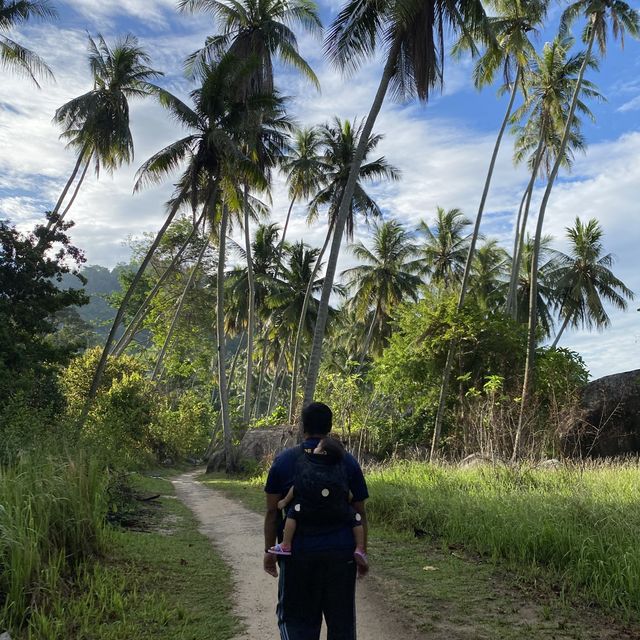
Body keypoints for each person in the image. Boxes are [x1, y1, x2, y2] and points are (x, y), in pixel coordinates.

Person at [263, 402, 369, 640]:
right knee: (341, 626)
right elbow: (359, 512)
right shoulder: (347, 461)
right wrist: (361, 552)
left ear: (303, 427)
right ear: (330, 427)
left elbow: (272, 512)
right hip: (341, 556)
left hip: (298, 555)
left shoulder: (284, 461)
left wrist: (270, 550)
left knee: (296, 622)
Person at [267, 435, 368, 570]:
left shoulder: (305, 466)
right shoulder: (343, 467)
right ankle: (360, 548)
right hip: (339, 526)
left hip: (305, 516)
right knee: (356, 518)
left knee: (292, 514)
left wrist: (285, 501)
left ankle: (286, 544)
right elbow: (354, 500)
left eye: (318, 447)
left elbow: (296, 487)